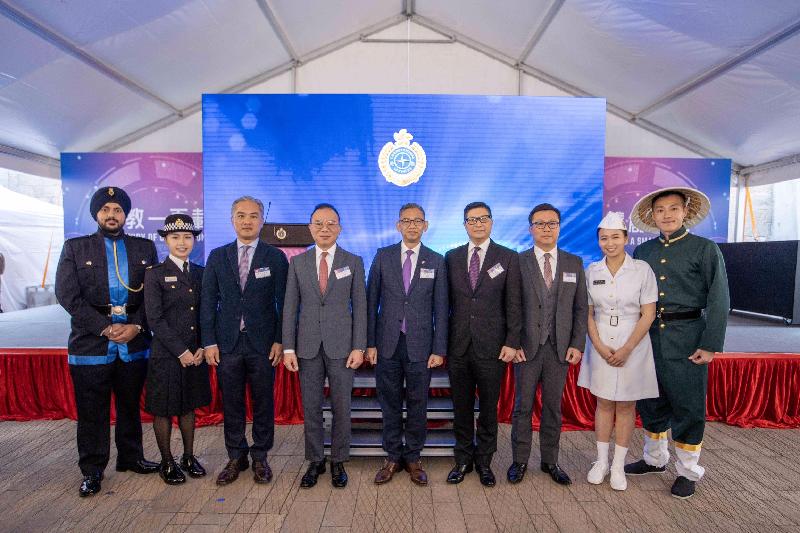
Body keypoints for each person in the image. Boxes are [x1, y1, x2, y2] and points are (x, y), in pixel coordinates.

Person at [625, 187, 729, 500]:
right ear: (652, 216)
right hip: (649, 337)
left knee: (688, 405)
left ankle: (687, 471)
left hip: (688, 338)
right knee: (652, 401)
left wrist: (710, 343)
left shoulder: (705, 248)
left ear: (685, 211)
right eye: (660, 210)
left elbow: (719, 297)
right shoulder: (643, 253)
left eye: (673, 208)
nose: (667, 215)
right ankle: (655, 459)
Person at [55, 186, 159, 497]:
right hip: (91, 344)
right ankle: (92, 470)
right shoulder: (76, 248)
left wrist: (137, 326)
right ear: (96, 214)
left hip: (133, 341)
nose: (111, 215)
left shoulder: (144, 248)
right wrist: (104, 327)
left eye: (117, 210)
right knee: (92, 411)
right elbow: (67, 295)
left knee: (130, 405)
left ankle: (131, 458)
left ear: (126, 215)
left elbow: (154, 295)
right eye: (105, 210)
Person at [200, 196, 288, 486]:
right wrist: (209, 341)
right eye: (241, 215)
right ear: (232, 220)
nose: (247, 221)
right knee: (232, 403)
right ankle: (236, 455)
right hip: (227, 344)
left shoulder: (275, 257)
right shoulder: (217, 256)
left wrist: (280, 340)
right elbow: (208, 302)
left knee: (264, 402)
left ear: (262, 221)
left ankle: (261, 455)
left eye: (253, 216)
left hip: (263, 345)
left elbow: (284, 303)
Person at [282, 203, 367, 489]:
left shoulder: (353, 261)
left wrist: (359, 346)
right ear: (310, 228)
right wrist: (288, 348)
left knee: (342, 406)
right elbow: (290, 308)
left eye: (331, 223)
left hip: (342, 347)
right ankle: (315, 460)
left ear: (340, 228)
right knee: (312, 407)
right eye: (319, 223)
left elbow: (362, 307)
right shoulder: (298, 263)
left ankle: (339, 460)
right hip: (306, 347)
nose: (325, 228)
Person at [366, 203, 448, 486]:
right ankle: (391, 456)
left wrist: (439, 348)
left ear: (425, 225)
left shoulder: (436, 260)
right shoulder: (382, 256)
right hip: (386, 344)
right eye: (406, 221)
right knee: (389, 404)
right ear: (397, 225)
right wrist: (369, 343)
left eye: (418, 221)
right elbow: (370, 302)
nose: (412, 225)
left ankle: (413, 456)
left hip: (421, 346)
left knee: (417, 403)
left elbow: (441, 307)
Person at [508, 203, 588, 486]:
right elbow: (512, 306)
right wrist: (513, 342)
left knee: (553, 407)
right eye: (540, 224)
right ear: (531, 229)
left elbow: (581, 308)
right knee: (522, 407)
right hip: (526, 349)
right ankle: (519, 460)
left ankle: (550, 461)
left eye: (551, 223)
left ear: (559, 227)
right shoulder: (518, 261)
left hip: (560, 349)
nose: (546, 228)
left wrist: (578, 344)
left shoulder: (574, 263)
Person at [577, 211, 658, 491]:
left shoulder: (642, 270)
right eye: (603, 238)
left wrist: (627, 348)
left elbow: (648, 314)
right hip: (599, 339)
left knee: (625, 405)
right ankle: (600, 461)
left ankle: (618, 466)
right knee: (602, 403)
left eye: (615, 237)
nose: (609, 243)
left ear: (625, 238)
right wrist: (598, 345)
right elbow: (586, 313)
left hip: (632, 340)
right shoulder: (592, 271)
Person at [445, 201, 521, 487]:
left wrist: (512, 341)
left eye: (483, 218)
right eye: (472, 219)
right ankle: (463, 459)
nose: (478, 223)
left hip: (494, 348)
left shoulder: (508, 257)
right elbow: (444, 305)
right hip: (459, 347)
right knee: (461, 408)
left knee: (489, 409)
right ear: (465, 224)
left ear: (491, 222)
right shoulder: (450, 257)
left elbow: (514, 304)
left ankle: (485, 462)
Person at [143, 214, 211, 485]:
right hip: (167, 355)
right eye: (175, 237)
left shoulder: (201, 272)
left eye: (187, 237)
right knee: (164, 409)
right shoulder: (155, 274)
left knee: (188, 407)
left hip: (196, 354)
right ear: (165, 240)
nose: (182, 242)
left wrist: (203, 346)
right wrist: (181, 351)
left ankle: (189, 456)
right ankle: (167, 461)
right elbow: (154, 319)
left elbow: (206, 313)